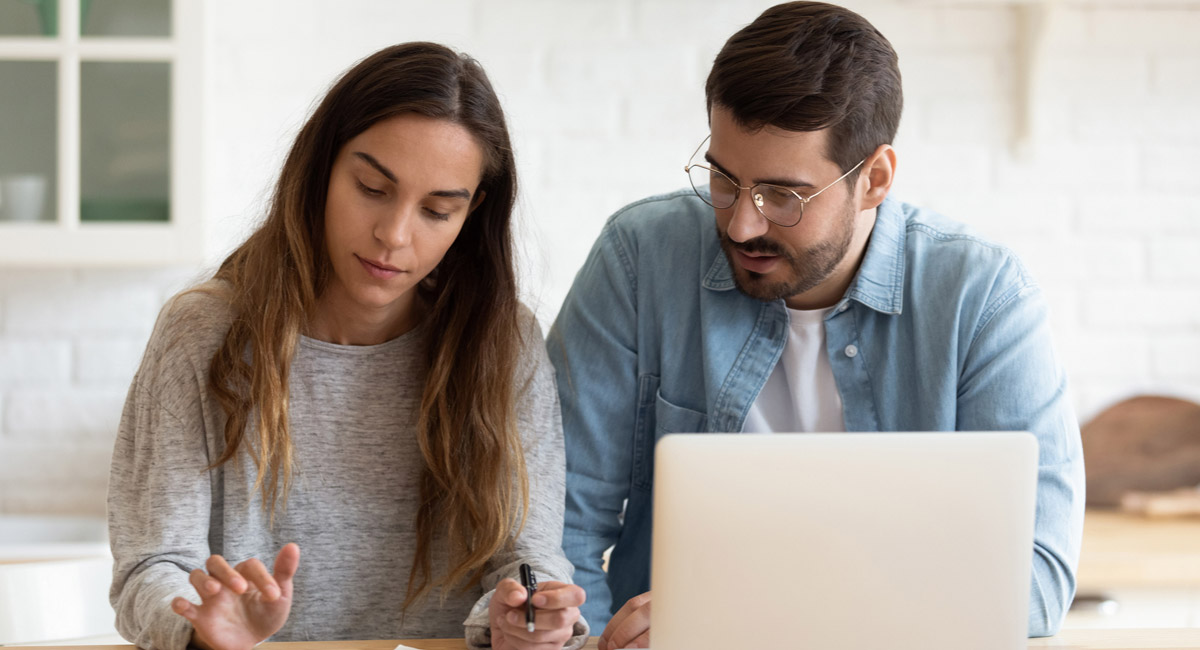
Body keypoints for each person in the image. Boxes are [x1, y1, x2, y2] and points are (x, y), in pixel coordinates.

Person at [546, 3, 1084, 648]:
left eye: (784, 196)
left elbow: (1038, 579)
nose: (742, 224)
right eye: (723, 178)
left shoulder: (983, 297)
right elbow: (559, 523)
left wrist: (749, 620)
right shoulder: (640, 258)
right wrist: (585, 638)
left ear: (875, 179)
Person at [108, 42, 588, 650]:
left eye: (438, 211)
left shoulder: (502, 342)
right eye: (371, 187)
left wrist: (528, 616)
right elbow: (150, 566)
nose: (393, 235)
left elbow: (526, 556)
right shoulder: (203, 333)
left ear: (471, 214)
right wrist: (201, 633)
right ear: (321, 168)